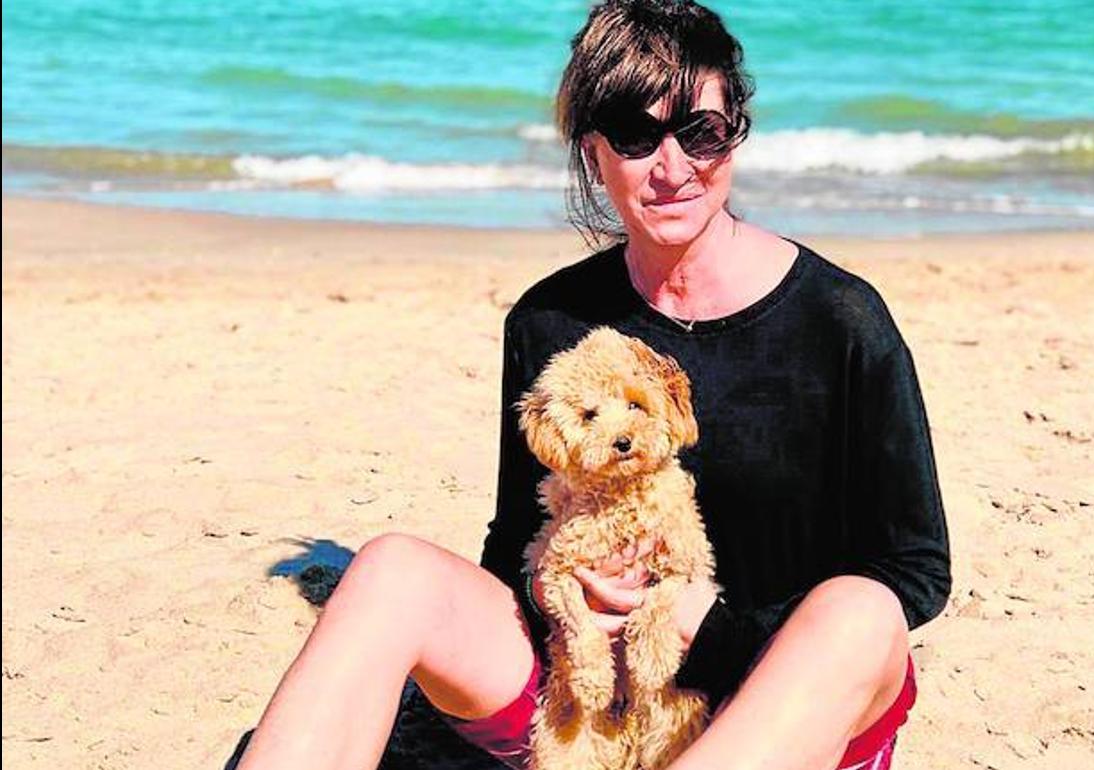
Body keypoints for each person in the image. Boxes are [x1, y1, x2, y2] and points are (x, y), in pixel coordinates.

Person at [233, 2, 950, 769]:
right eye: (636, 136)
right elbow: (513, 540)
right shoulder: (551, 321)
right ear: (592, 151)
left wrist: (704, 626)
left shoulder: (840, 320)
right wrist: (558, 589)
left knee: (861, 611)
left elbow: (915, 569)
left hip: (778, 702)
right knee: (390, 570)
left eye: (700, 132)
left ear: (737, 131)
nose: (672, 168)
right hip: (593, 702)